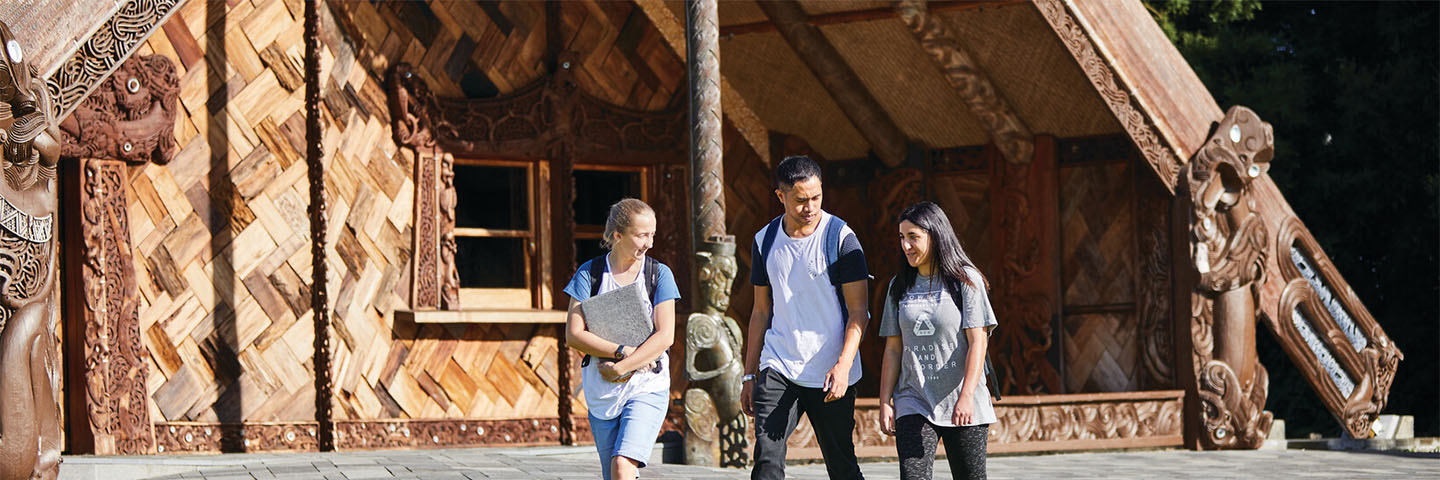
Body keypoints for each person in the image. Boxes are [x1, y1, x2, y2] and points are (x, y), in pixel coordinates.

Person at [742, 155, 869, 480]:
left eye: (816, 197)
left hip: (830, 371)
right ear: (780, 196)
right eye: (800, 200)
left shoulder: (841, 238)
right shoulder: (764, 240)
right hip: (780, 364)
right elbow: (760, 311)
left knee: (842, 466)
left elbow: (859, 312)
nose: (810, 207)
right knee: (766, 461)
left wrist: (843, 366)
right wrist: (749, 374)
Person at [878, 201, 997, 480]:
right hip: (913, 399)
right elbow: (893, 349)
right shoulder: (899, 286)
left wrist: (966, 396)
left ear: (935, 235)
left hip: (961, 399)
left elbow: (978, 342)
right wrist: (885, 400)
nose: (906, 245)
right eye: (902, 237)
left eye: (913, 237)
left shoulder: (965, 281)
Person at [563, 198, 680, 480]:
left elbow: (665, 335)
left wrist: (623, 367)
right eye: (642, 235)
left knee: (622, 465)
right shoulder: (589, 274)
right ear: (617, 235)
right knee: (614, 474)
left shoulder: (658, 274)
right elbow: (574, 334)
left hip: (647, 385)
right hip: (602, 389)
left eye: (652, 234)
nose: (649, 243)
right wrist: (620, 351)